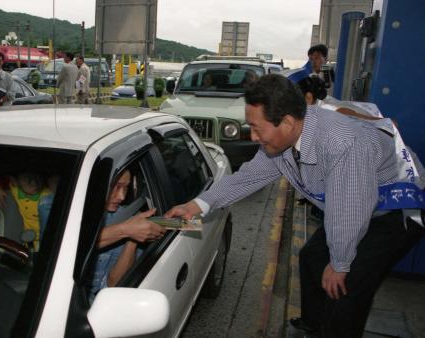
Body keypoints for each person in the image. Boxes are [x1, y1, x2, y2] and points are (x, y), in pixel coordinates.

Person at [165, 74, 425, 338]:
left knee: (346, 288)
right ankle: (313, 325)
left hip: (394, 212)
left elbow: (349, 213)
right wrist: (197, 205)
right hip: (353, 203)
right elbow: (247, 177)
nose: (253, 137)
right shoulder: (281, 142)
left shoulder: (342, 144)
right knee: (312, 259)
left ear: (287, 122)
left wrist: (340, 264)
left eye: (257, 128)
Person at [89, 169, 166, 303]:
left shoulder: (126, 217)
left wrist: (132, 239)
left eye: (126, 187)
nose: (122, 196)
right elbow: (68, 246)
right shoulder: (52, 207)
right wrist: (125, 230)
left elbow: (113, 285)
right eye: (116, 186)